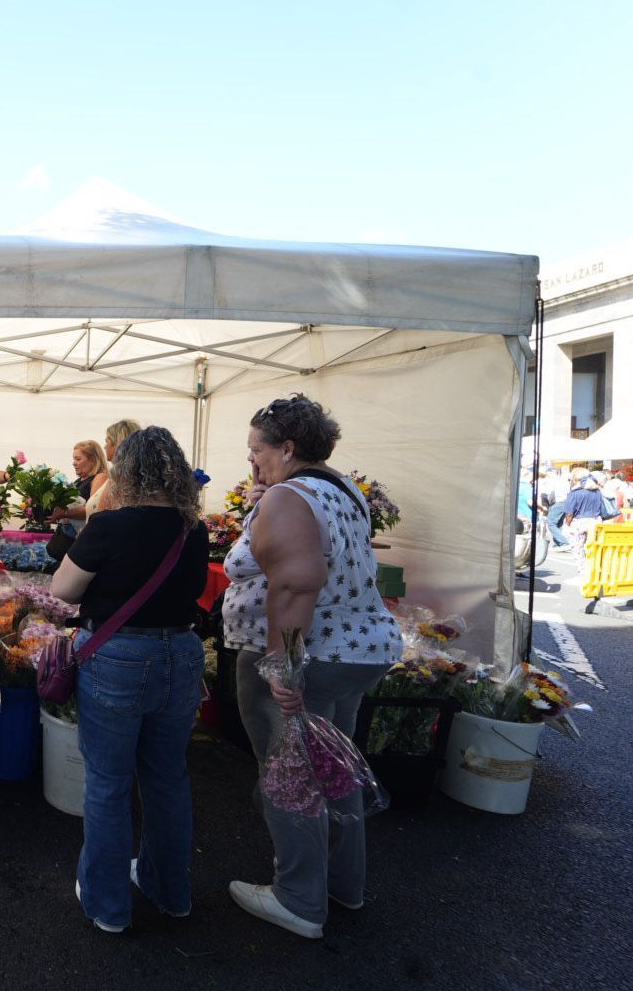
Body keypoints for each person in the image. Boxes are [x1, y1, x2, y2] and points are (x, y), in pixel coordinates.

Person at [220, 394, 400, 940]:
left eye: (257, 450)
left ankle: (299, 899)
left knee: (290, 773)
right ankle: (343, 884)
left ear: (288, 447)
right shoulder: (342, 491)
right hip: (357, 650)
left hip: (311, 658)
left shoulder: (290, 497)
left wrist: (282, 669)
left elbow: (296, 585)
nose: (251, 460)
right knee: (334, 767)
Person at [50, 427, 209, 934]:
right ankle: (170, 891)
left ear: (127, 470)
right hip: (181, 655)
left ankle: (107, 905)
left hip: (118, 656)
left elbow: (63, 589)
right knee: (167, 778)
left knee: (109, 783)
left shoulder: (110, 524)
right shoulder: (193, 529)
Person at [83, 419, 143, 519]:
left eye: (107, 441)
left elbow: (102, 518)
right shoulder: (123, 476)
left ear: (117, 444)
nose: (105, 446)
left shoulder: (121, 479)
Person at [561, 474, 609, 560]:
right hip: (596, 522)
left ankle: (582, 569)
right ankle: (594, 565)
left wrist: (568, 524)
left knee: (578, 548)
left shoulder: (575, 493)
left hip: (579, 523)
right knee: (594, 547)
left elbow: (569, 514)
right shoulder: (598, 492)